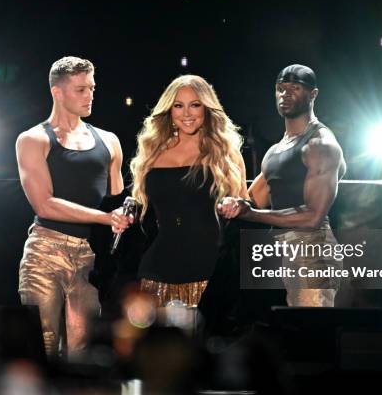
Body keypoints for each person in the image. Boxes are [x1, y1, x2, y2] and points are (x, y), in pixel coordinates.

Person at [16, 56, 131, 359]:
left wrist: (122, 217)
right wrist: (106, 218)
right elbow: (44, 204)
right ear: (57, 91)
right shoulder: (33, 139)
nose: (89, 95)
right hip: (45, 251)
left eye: (92, 88)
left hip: (91, 258)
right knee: (44, 347)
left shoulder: (108, 141)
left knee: (84, 353)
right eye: (80, 89)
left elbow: (117, 203)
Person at [219, 64, 346, 307]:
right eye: (280, 88)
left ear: (313, 94)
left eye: (294, 88)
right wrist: (234, 204)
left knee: (308, 335)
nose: (285, 95)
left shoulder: (321, 144)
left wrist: (252, 213)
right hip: (282, 248)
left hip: (311, 249)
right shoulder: (276, 150)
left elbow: (313, 217)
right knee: (287, 335)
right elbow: (252, 199)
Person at [129, 75, 248, 307]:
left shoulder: (224, 153)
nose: (187, 113)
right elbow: (140, 205)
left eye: (195, 104)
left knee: (205, 341)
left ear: (206, 108)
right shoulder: (152, 153)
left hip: (209, 270)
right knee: (157, 343)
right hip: (157, 269)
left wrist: (237, 205)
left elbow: (244, 206)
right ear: (169, 111)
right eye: (178, 105)